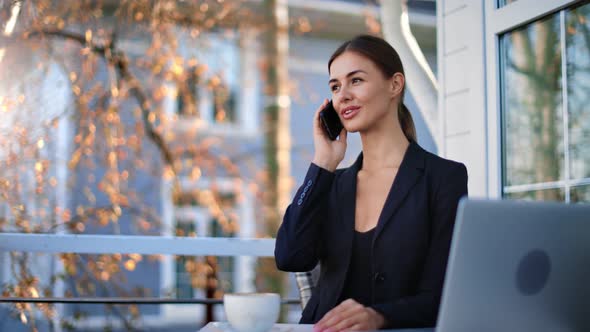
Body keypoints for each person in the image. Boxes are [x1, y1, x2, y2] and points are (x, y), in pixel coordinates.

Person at [274, 34, 468, 331]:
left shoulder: (443, 178)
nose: (343, 96)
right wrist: (323, 163)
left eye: (356, 80)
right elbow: (290, 256)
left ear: (395, 84)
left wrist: (380, 316)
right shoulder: (332, 182)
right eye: (335, 87)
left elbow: (441, 296)